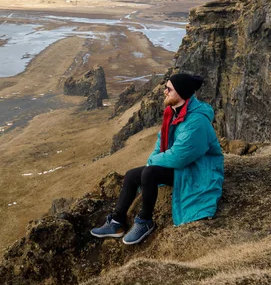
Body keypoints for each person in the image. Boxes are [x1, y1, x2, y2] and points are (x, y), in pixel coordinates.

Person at [91, 73, 224, 245]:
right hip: (183, 167)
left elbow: (179, 156)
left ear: (181, 93)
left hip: (197, 170)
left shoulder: (196, 122)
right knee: (132, 175)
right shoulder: (174, 113)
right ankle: (117, 223)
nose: (164, 92)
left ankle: (145, 221)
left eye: (169, 89)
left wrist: (151, 163)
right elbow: (161, 142)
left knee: (150, 173)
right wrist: (152, 160)